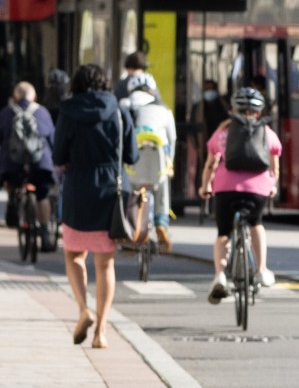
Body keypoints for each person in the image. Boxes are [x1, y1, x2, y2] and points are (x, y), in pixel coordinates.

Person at [51, 64, 137, 349]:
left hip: (78, 189)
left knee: (74, 255)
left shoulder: (68, 111)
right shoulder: (118, 110)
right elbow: (132, 155)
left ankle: (82, 310)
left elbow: (59, 154)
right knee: (105, 263)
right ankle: (101, 331)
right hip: (111, 191)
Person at [199, 88, 282, 304]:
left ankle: (219, 275)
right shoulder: (266, 132)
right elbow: (274, 167)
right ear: (258, 111)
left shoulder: (222, 132)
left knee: (223, 232)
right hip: (257, 190)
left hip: (225, 189)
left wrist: (205, 186)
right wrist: (272, 185)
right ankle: (262, 269)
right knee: (256, 223)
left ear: (233, 109)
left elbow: (211, 163)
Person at [122, 84, 177, 253]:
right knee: (161, 185)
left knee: (132, 188)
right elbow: (172, 138)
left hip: (136, 152)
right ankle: (161, 222)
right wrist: (170, 163)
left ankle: (132, 228)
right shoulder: (164, 110)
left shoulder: (130, 106)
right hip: (158, 152)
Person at [3, 81, 58, 248]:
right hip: (39, 163)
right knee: (43, 194)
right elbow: (52, 140)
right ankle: (45, 233)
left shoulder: (6, 113)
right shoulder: (42, 112)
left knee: (11, 181)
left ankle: (13, 202)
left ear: (15, 97)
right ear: (34, 96)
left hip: (13, 165)